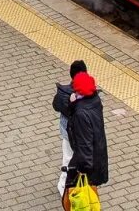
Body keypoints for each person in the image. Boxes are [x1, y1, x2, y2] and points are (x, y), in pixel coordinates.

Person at [63, 71, 109, 193]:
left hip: (87, 164)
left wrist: (82, 169)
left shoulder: (81, 114)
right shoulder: (95, 101)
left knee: (81, 198)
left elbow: (84, 143)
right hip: (98, 155)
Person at [54, 60, 89, 196]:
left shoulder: (64, 91)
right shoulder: (71, 93)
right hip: (79, 134)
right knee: (73, 159)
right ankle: (65, 186)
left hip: (69, 133)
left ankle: (65, 185)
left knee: (68, 158)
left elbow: (56, 105)